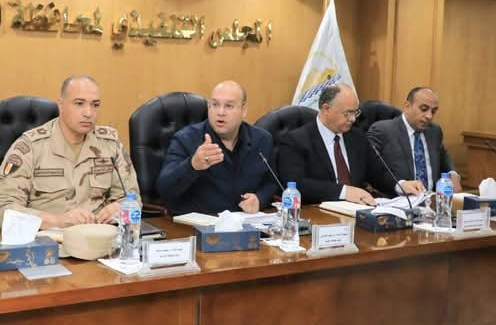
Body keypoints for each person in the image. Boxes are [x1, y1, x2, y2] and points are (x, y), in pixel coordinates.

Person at [0, 75, 139, 229]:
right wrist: (57, 221)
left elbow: (133, 199)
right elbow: (2, 210)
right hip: (49, 239)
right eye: (79, 103)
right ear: (61, 105)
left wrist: (121, 208)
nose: (88, 113)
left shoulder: (110, 144)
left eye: (95, 105)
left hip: (100, 236)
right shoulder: (30, 147)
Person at [278, 83, 414, 205]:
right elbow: (296, 184)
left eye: (355, 112)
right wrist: (344, 192)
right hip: (317, 213)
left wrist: (400, 185)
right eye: (348, 113)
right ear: (326, 109)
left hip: (356, 211)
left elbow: (377, 172)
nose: (353, 119)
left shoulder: (357, 138)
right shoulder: (295, 140)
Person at [156, 81, 278, 215]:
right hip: (199, 223)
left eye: (229, 106)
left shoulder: (262, 139)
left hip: (244, 222)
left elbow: (271, 183)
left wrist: (260, 199)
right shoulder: (185, 139)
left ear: (244, 110)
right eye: (215, 105)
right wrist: (192, 165)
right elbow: (164, 189)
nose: (220, 112)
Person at [368, 86, 461, 195]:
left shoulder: (434, 131)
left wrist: (452, 174)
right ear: (407, 107)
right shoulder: (383, 130)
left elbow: (443, 156)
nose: (429, 116)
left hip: (432, 199)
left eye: (433, 111)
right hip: (399, 200)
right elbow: (373, 170)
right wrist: (400, 185)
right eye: (424, 109)